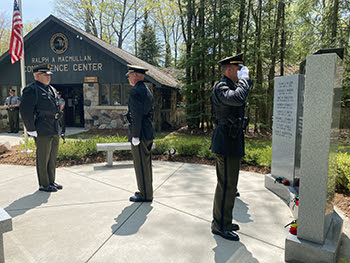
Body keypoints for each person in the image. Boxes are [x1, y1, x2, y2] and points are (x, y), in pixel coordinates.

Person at [210, 53, 253, 241]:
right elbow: (237, 99)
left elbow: (239, 97)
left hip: (232, 139)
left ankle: (224, 220)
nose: (240, 73)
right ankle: (219, 225)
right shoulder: (221, 87)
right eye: (238, 70)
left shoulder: (232, 86)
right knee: (226, 184)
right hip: (226, 140)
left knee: (230, 185)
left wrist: (243, 82)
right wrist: (245, 81)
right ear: (229, 70)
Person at [20, 63, 63, 192]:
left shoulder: (51, 89)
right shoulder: (31, 90)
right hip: (42, 128)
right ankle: (44, 184)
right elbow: (25, 111)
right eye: (45, 75)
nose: (48, 77)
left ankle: (51, 180)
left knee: (52, 156)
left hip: (54, 127)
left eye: (49, 75)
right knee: (43, 157)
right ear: (37, 75)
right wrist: (31, 129)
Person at [125, 65, 156, 202]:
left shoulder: (135, 91)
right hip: (147, 130)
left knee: (141, 165)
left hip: (141, 133)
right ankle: (146, 191)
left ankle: (145, 195)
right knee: (146, 165)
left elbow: (137, 115)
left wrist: (135, 135)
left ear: (136, 75)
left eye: (130, 75)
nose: (128, 78)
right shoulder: (147, 89)